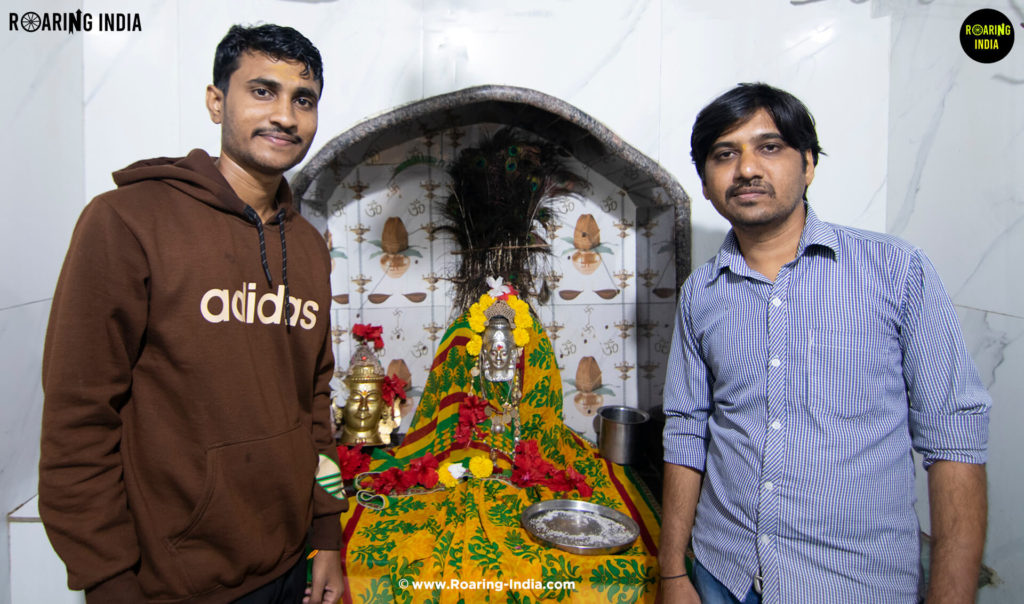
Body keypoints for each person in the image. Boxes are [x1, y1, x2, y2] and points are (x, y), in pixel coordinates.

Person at [39, 24, 347, 604]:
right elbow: (77, 420)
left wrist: (326, 535)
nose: (285, 115)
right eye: (262, 91)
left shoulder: (308, 247)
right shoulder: (127, 221)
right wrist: (106, 581)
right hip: (171, 582)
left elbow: (314, 403)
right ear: (216, 102)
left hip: (290, 565)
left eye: (303, 100)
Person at [659, 83, 990, 604]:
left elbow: (955, 440)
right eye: (725, 154)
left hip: (852, 585)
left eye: (769, 147)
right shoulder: (701, 293)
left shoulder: (896, 271)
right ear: (705, 182)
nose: (747, 168)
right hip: (722, 575)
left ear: (808, 164)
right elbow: (686, 429)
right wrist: (673, 574)